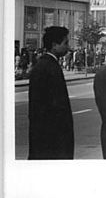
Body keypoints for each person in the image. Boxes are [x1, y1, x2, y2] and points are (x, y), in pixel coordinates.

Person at [28, 26, 74, 159]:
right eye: (65, 43)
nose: (68, 47)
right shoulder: (49, 67)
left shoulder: (46, 64)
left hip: (46, 136)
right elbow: (54, 107)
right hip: (51, 139)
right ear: (54, 45)